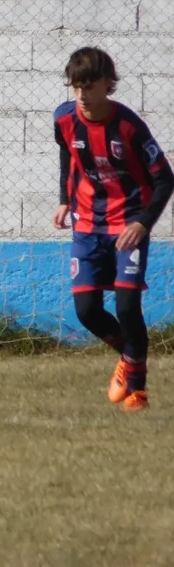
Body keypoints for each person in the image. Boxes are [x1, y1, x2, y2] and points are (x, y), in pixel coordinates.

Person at [53, 46, 173, 412]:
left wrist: (142, 222)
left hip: (127, 224)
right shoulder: (64, 120)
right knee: (87, 310)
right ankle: (132, 355)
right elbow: (67, 158)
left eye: (89, 87)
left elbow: (165, 179)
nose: (82, 96)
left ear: (108, 85)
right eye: (76, 88)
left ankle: (137, 391)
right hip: (87, 226)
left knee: (126, 305)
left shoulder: (129, 127)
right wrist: (64, 199)